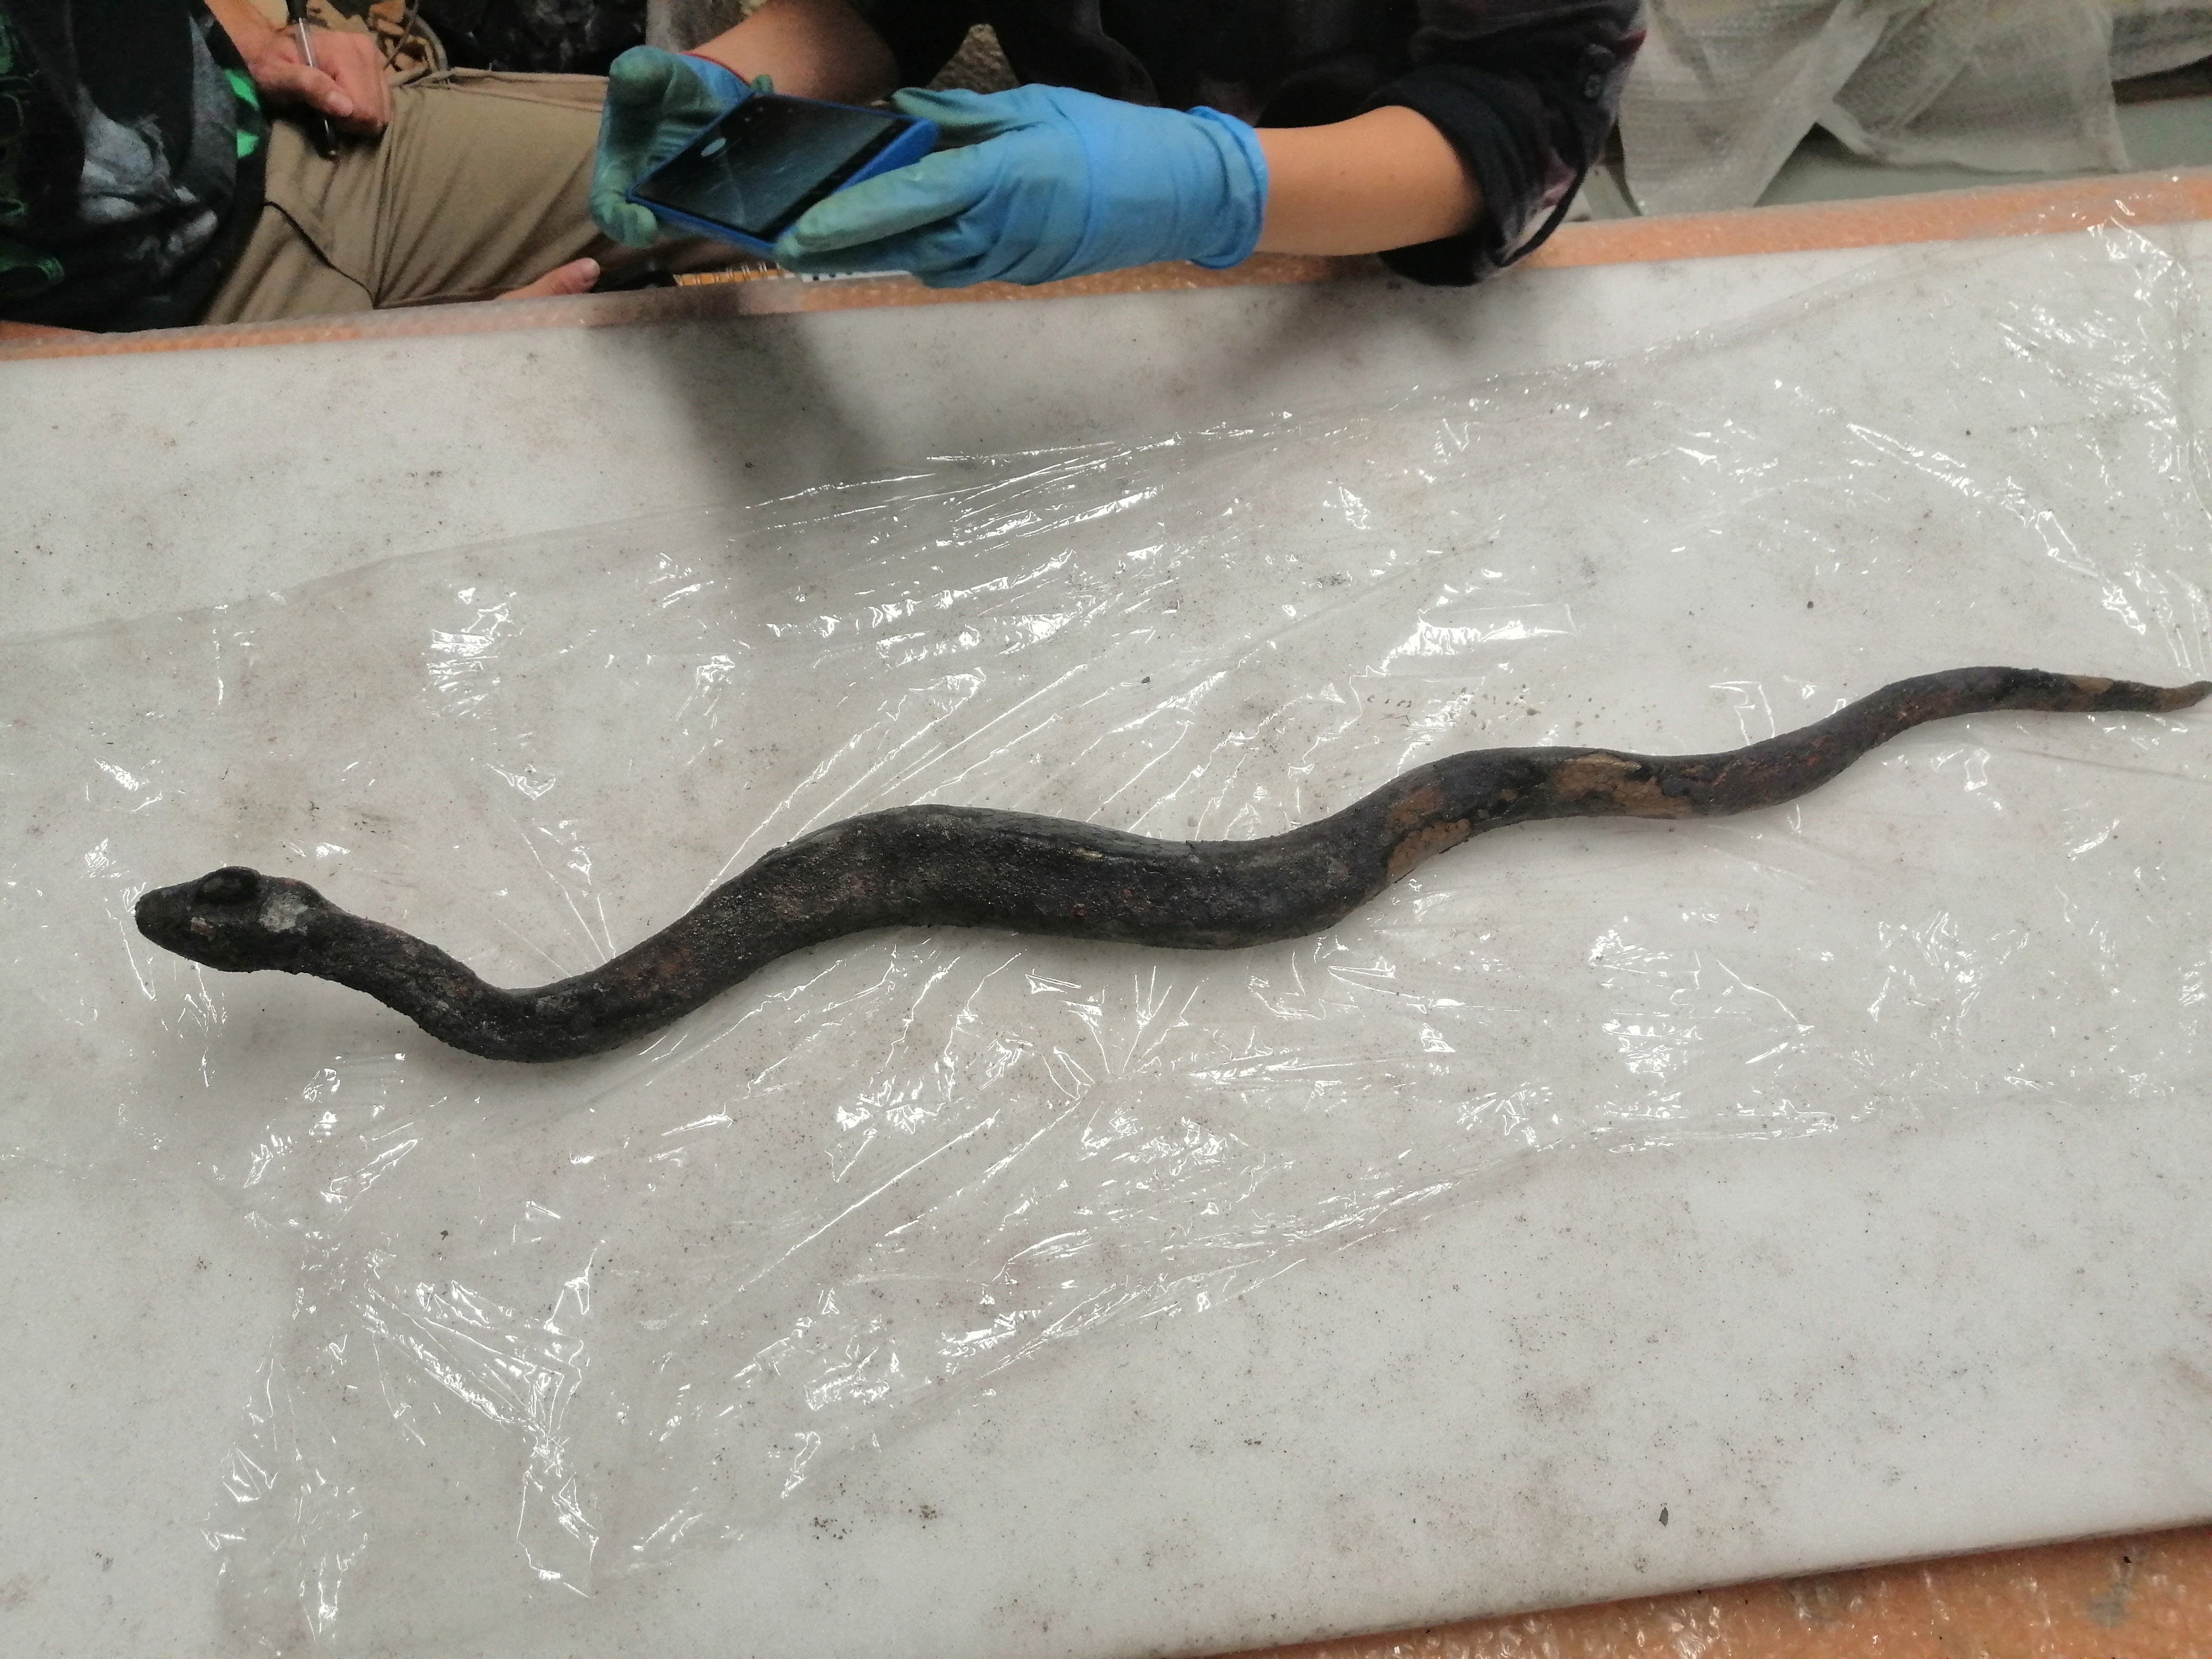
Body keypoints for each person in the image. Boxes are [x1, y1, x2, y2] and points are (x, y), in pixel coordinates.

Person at [592, 0, 1645, 289]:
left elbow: (1518, 115)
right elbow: (888, 11)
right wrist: (735, 89)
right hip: (1079, 240)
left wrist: (1210, 186)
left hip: (1395, 255)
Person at [0, 0, 678, 333]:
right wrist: (384, 391)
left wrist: (251, 35)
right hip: (113, 352)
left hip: (291, 145)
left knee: (737, 164)